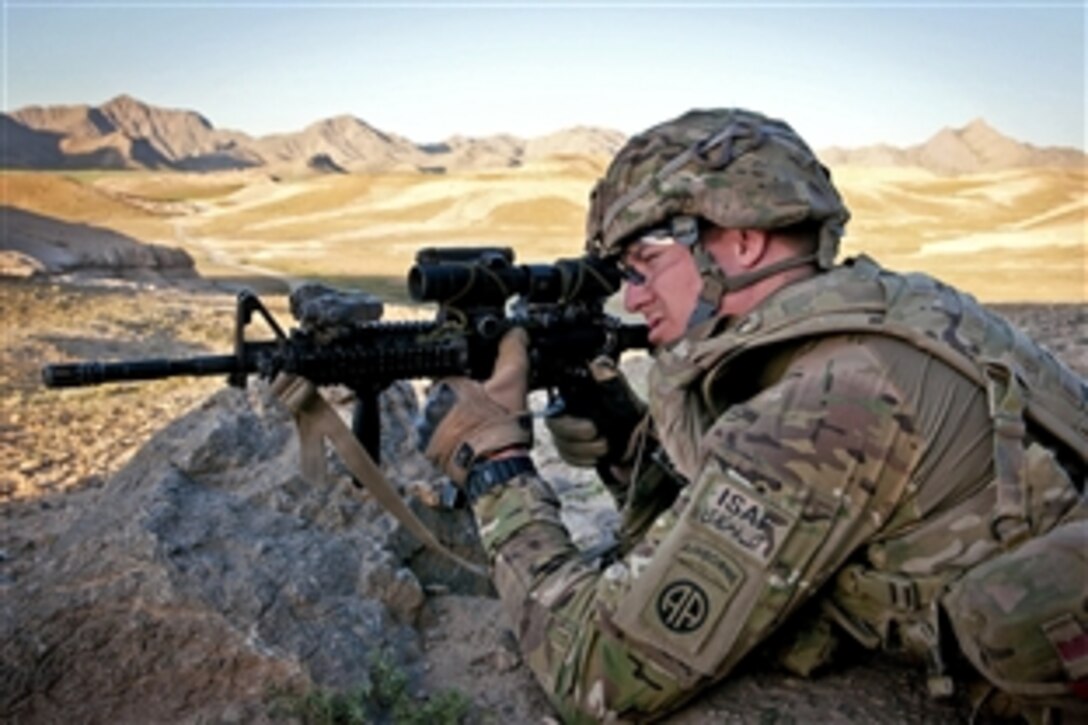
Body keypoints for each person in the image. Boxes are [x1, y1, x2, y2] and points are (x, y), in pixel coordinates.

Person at [416, 108, 1088, 723]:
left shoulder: (825, 405)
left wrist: (494, 460)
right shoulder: (890, 309)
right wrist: (630, 446)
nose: (630, 294)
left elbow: (597, 674)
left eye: (645, 263)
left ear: (741, 243)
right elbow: (757, 522)